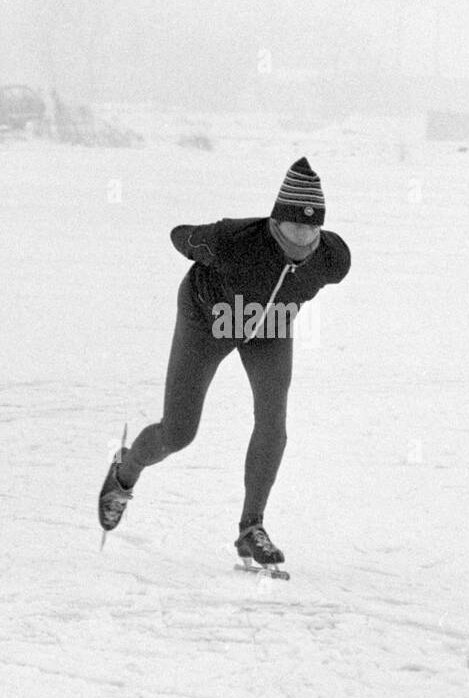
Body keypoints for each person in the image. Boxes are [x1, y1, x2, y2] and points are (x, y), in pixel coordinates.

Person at [97, 157, 352, 569]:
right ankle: (124, 471)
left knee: (274, 426)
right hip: (209, 319)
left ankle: (252, 529)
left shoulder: (333, 259)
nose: (304, 236)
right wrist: (206, 249)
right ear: (274, 223)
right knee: (179, 432)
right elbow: (180, 237)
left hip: (269, 327)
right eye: (294, 226)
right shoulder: (234, 240)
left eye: (312, 227)